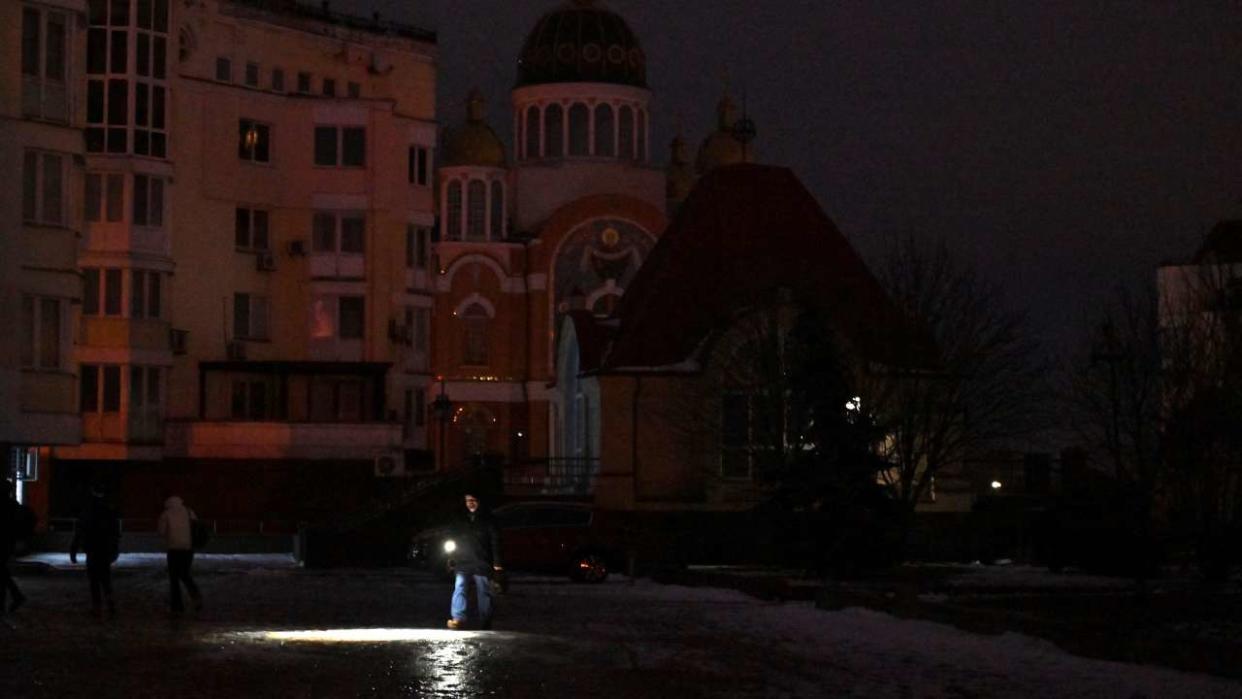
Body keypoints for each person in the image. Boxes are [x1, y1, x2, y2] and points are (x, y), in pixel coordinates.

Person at [446, 492, 502, 630]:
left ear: (479, 501)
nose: (470, 503)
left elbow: (495, 541)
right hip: (463, 560)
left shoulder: (488, 519)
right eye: (467, 500)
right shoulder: (461, 518)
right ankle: (458, 618)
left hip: (481, 561)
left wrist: (497, 564)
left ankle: (485, 620)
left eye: (473, 500)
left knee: (484, 591)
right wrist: (452, 558)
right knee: (459, 588)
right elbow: (455, 538)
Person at [70, 486, 120, 617]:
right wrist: (115, 549)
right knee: (105, 578)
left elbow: (79, 532)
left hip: (92, 550)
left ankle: (97, 607)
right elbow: (115, 533)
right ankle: (110, 601)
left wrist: (74, 550)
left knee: (94, 580)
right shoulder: (109, 512)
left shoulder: (87, 512)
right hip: (105, 550)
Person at [157, 495, 202, 614]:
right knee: (185, 574)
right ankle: (195, 595)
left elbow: (161, 532)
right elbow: (196, 525)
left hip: (173, 549)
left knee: (174, 578)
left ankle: (177, 605)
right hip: (188, 548)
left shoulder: (166, 514)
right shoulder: (189, 511)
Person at [0, 481, 28, 614]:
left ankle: (15, 596)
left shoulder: (6, 505)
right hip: (8, 542)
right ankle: (15, 596)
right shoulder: (14, 505)